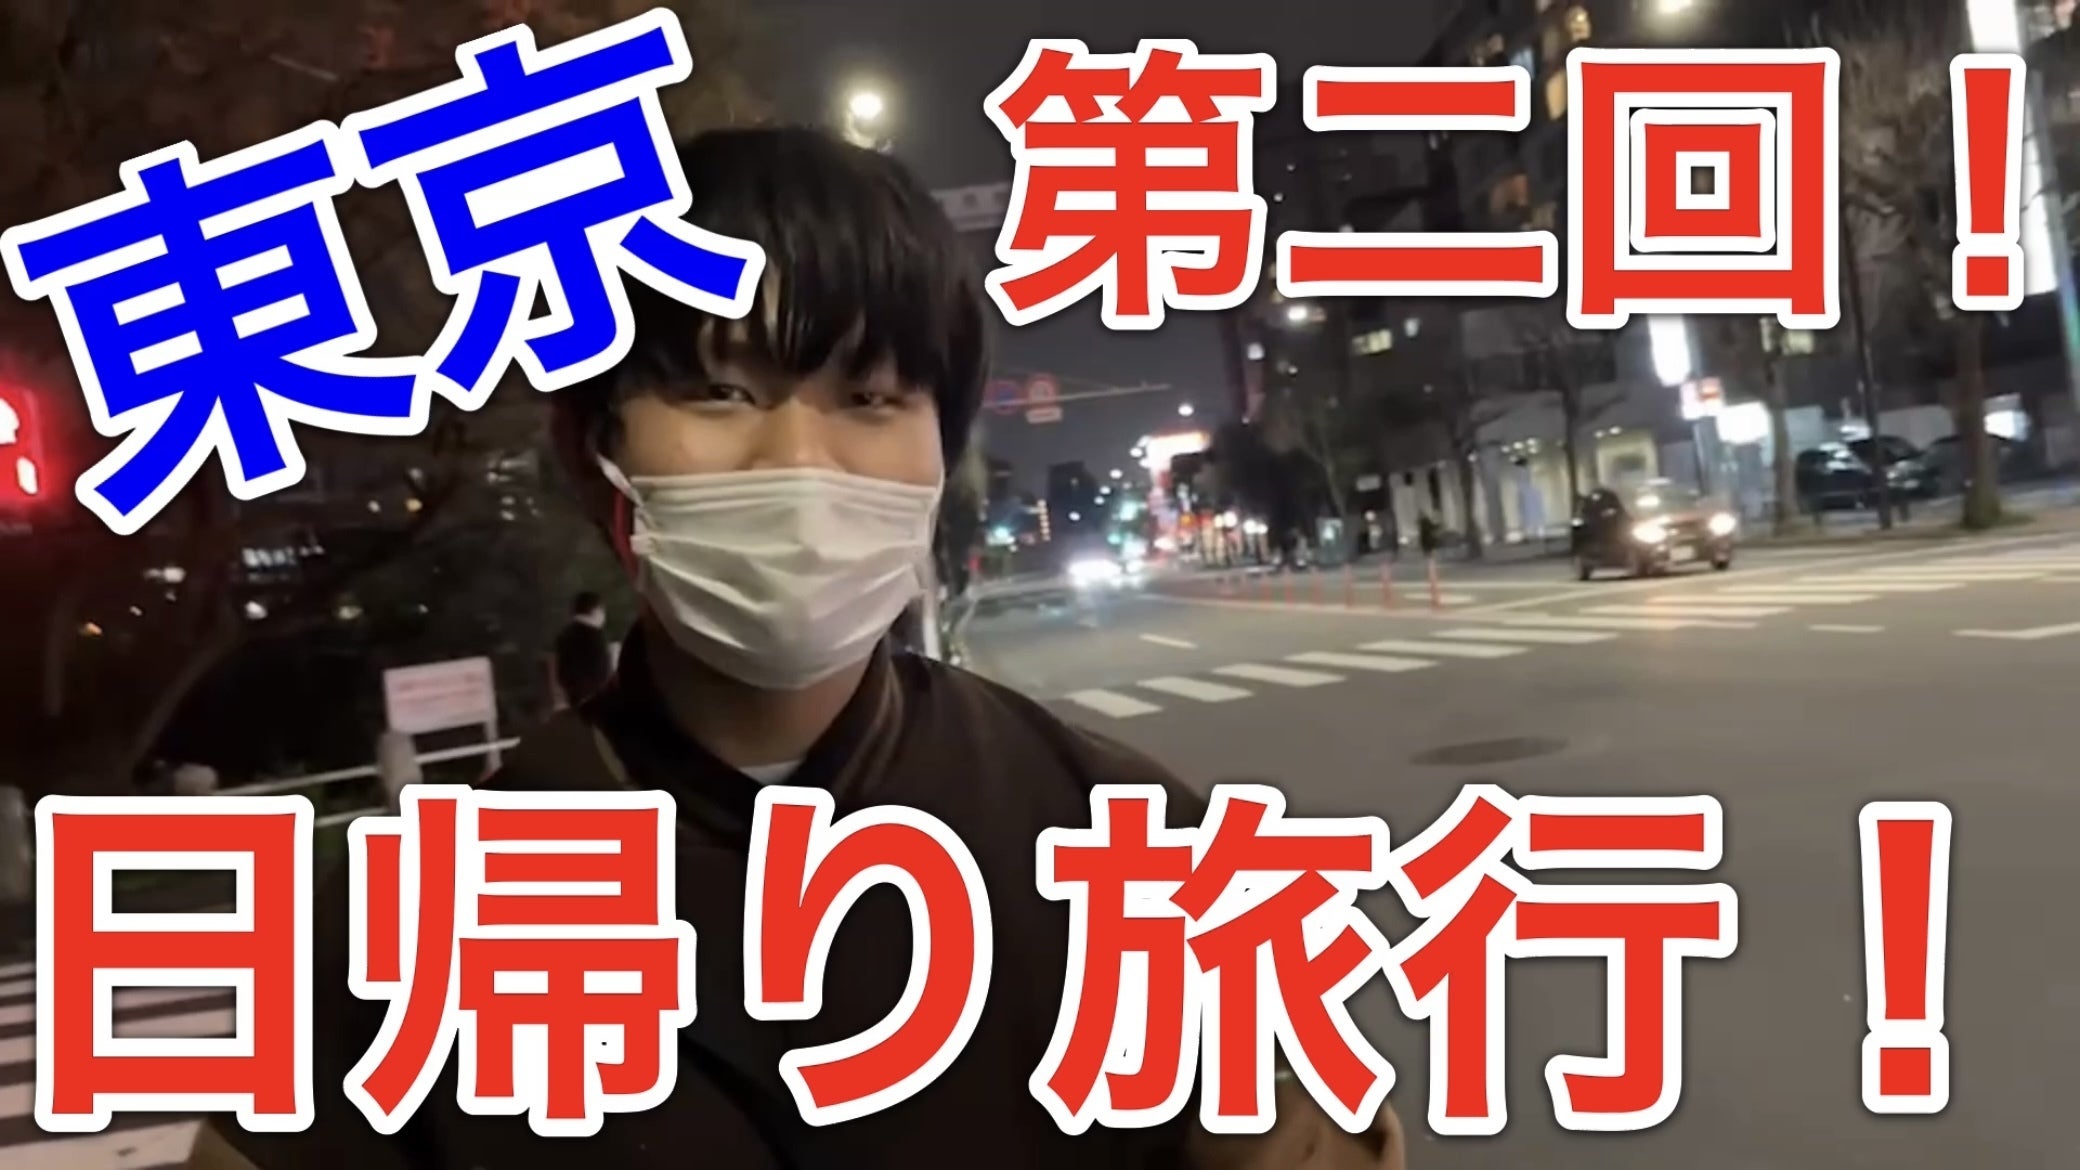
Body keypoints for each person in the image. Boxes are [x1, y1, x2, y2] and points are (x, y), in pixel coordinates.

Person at [198, 127, 1404, 1170]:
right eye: (721, 393)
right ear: (595, 451)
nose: (797, 460)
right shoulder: (385, 933)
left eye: (870, 398)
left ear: (939, 457)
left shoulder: (1140, 852)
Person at [552, 589, 615, 707]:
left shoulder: (564, 636)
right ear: (594, 610)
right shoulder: (595, 636)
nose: (603, 616)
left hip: (575, 700)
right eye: (602, 611)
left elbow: (562, 674)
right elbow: (603, 674)